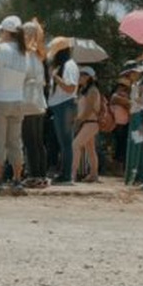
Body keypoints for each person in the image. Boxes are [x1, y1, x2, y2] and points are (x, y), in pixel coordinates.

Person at [0, 15, 29, 192]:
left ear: (5, 32)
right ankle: (17, 178)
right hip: (17, 100)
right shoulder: (24, 52)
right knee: (15, 142)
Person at [47, 36, 80, 185]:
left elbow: (70, 87)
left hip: (65, 105)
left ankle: (66, 176)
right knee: (62, 142)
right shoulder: (63, 65)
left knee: (66, 142)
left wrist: (55, 77)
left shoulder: (69, 65)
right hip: (60, 106)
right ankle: (64, 173)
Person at [20, 19, 49, 188]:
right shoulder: (39, 54)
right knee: (38, 141)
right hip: (38, 102)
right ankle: (41, 174)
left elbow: (24, 76)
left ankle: (33, 175)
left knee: (30, 140)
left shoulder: (28, 55)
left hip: (28, 101)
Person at [71, 66, 102, 183]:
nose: (79, 77)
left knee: (75, 145)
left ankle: (72, 174)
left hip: (90, 123)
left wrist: (77, 123)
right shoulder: (83, 90)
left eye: (82, 75)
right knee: (90, 149)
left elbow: (88, 111)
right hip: (88, 123)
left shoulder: (93, 91)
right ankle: (94, 174)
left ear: (88, 77)